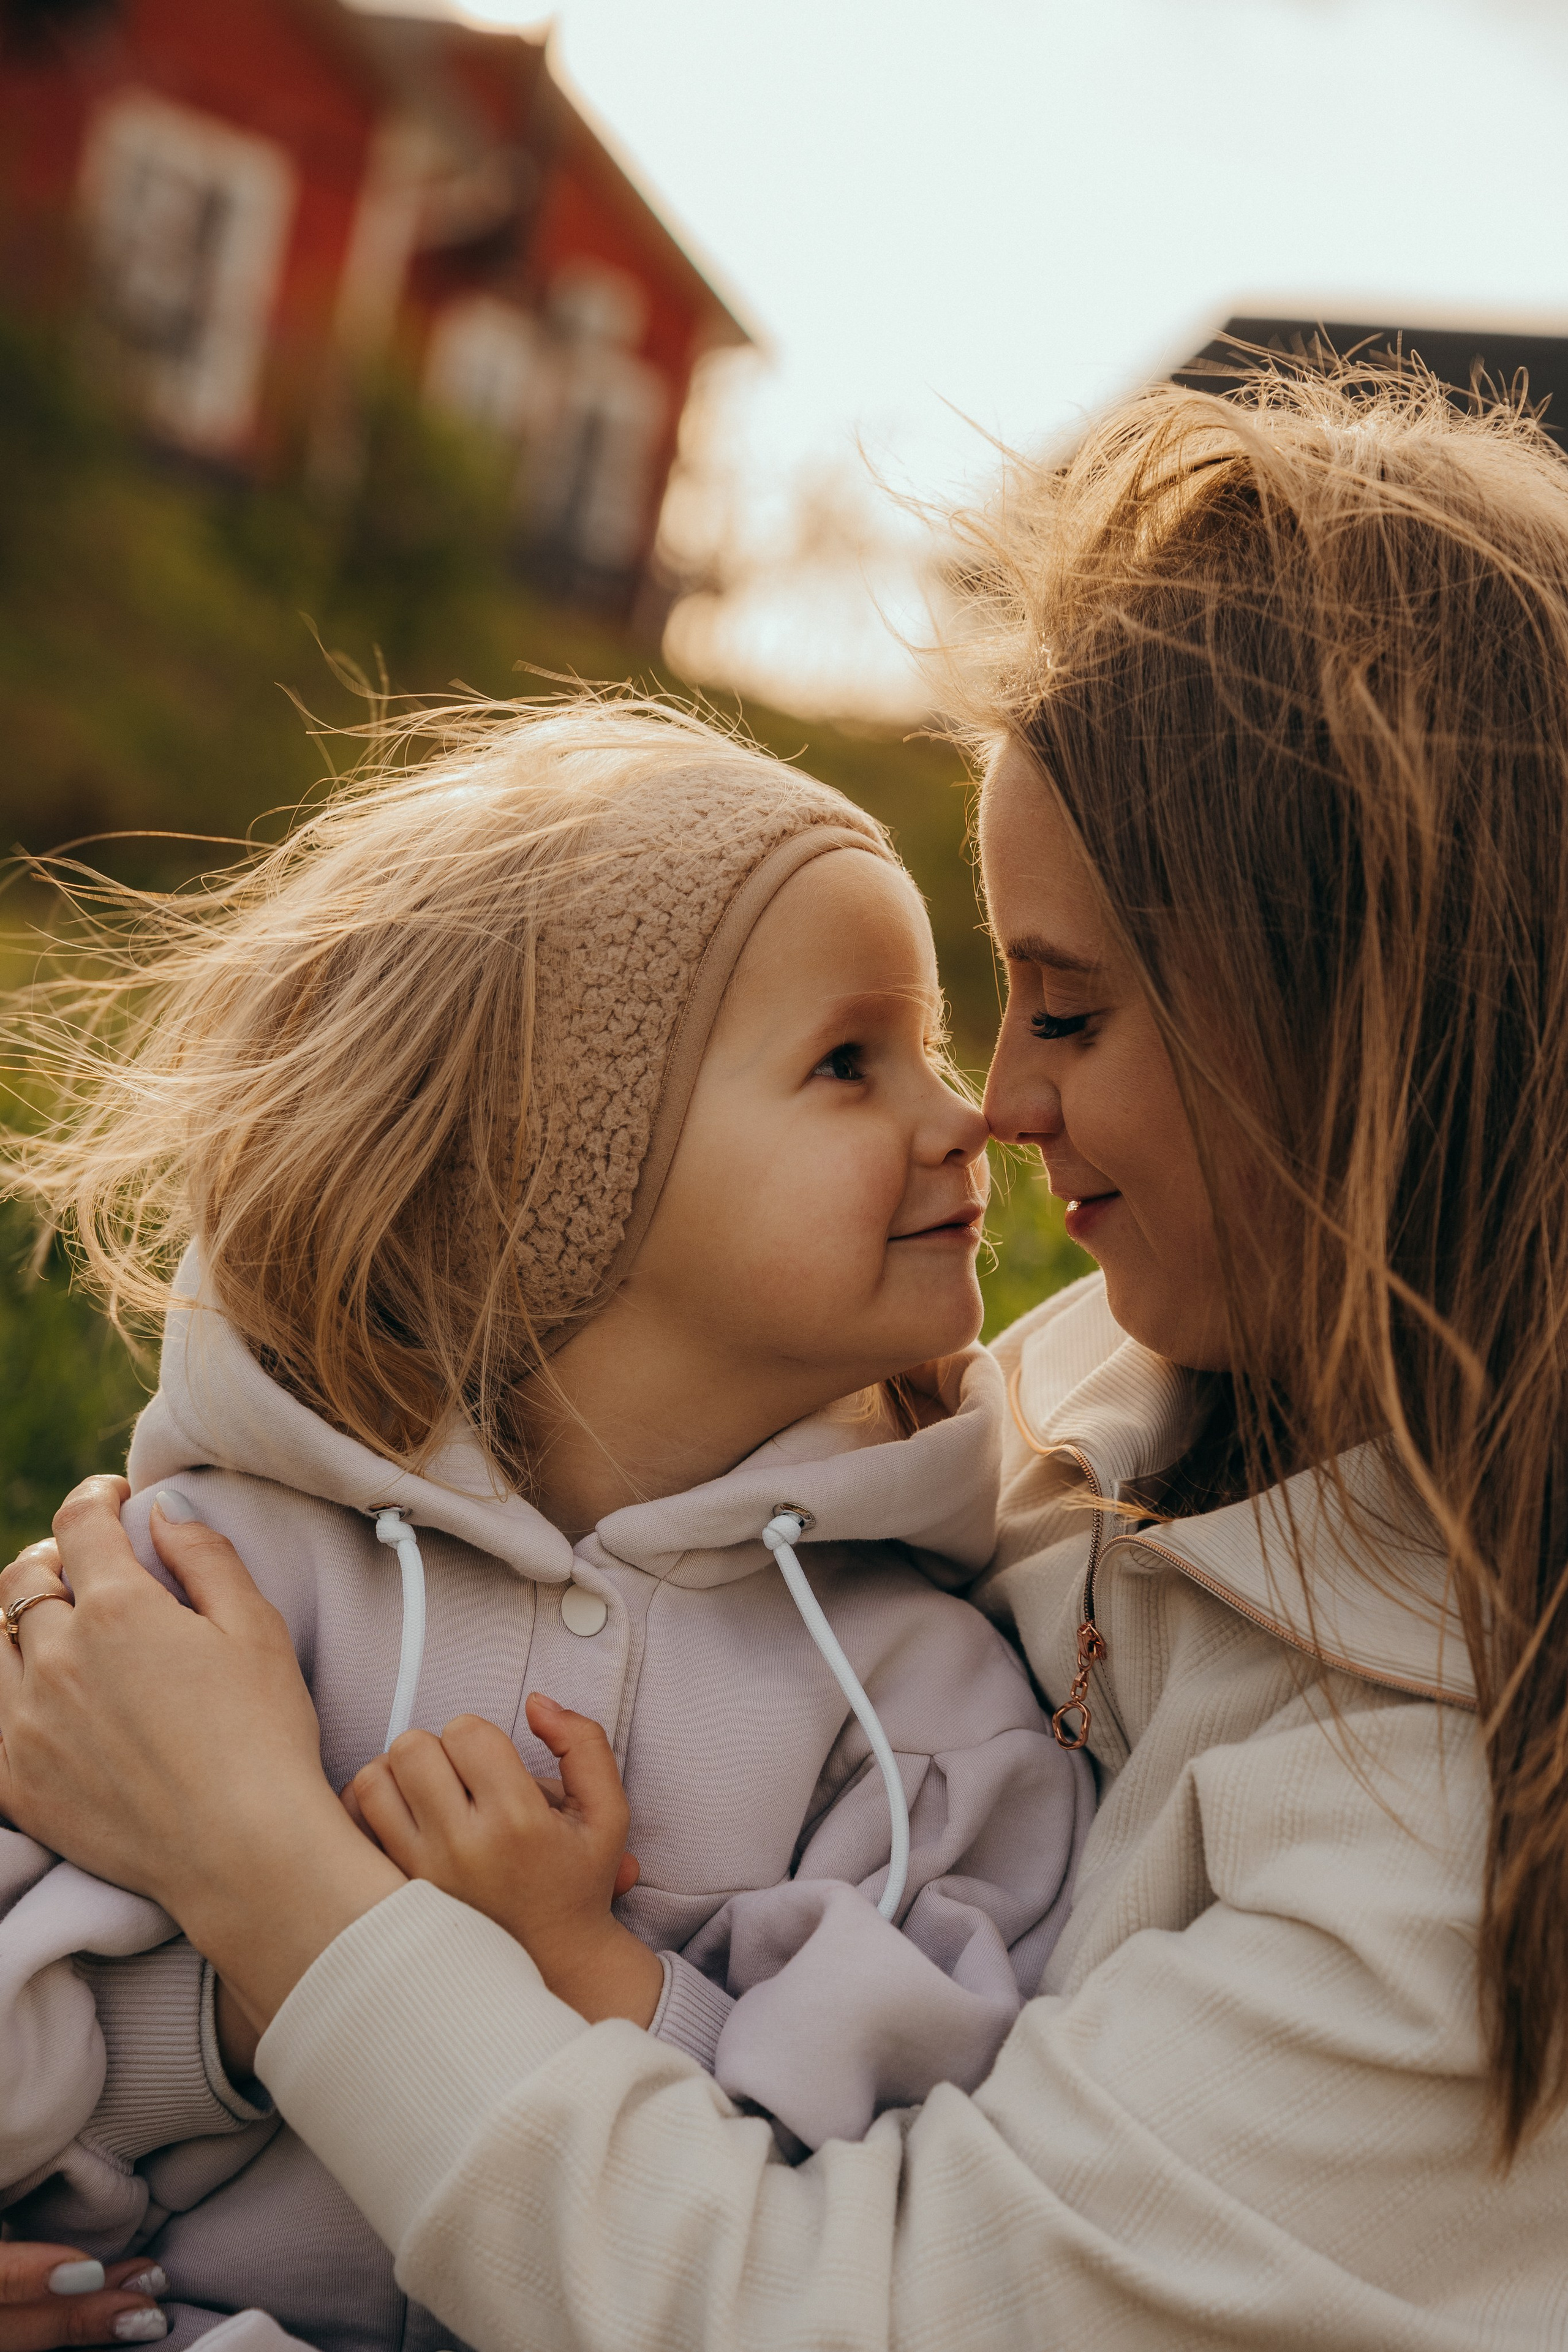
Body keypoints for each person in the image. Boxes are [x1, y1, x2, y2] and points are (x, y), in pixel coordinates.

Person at [4, 365, 1567, 2350]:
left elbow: (847, 2298)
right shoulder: (1093, 1424)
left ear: (1358, 1030)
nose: (991, 1110)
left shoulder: (1453, 1835)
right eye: (908, 1041)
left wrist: (260, 1868)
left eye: (1068, 1016)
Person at [0, 703, 1092, 2346]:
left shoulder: (934, 1700)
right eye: (851, 1063)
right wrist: (234, 2005)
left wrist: (573, 1966)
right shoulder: (190, 1605)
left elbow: (876, 2221)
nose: (969, 1121)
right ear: (547, 1178)